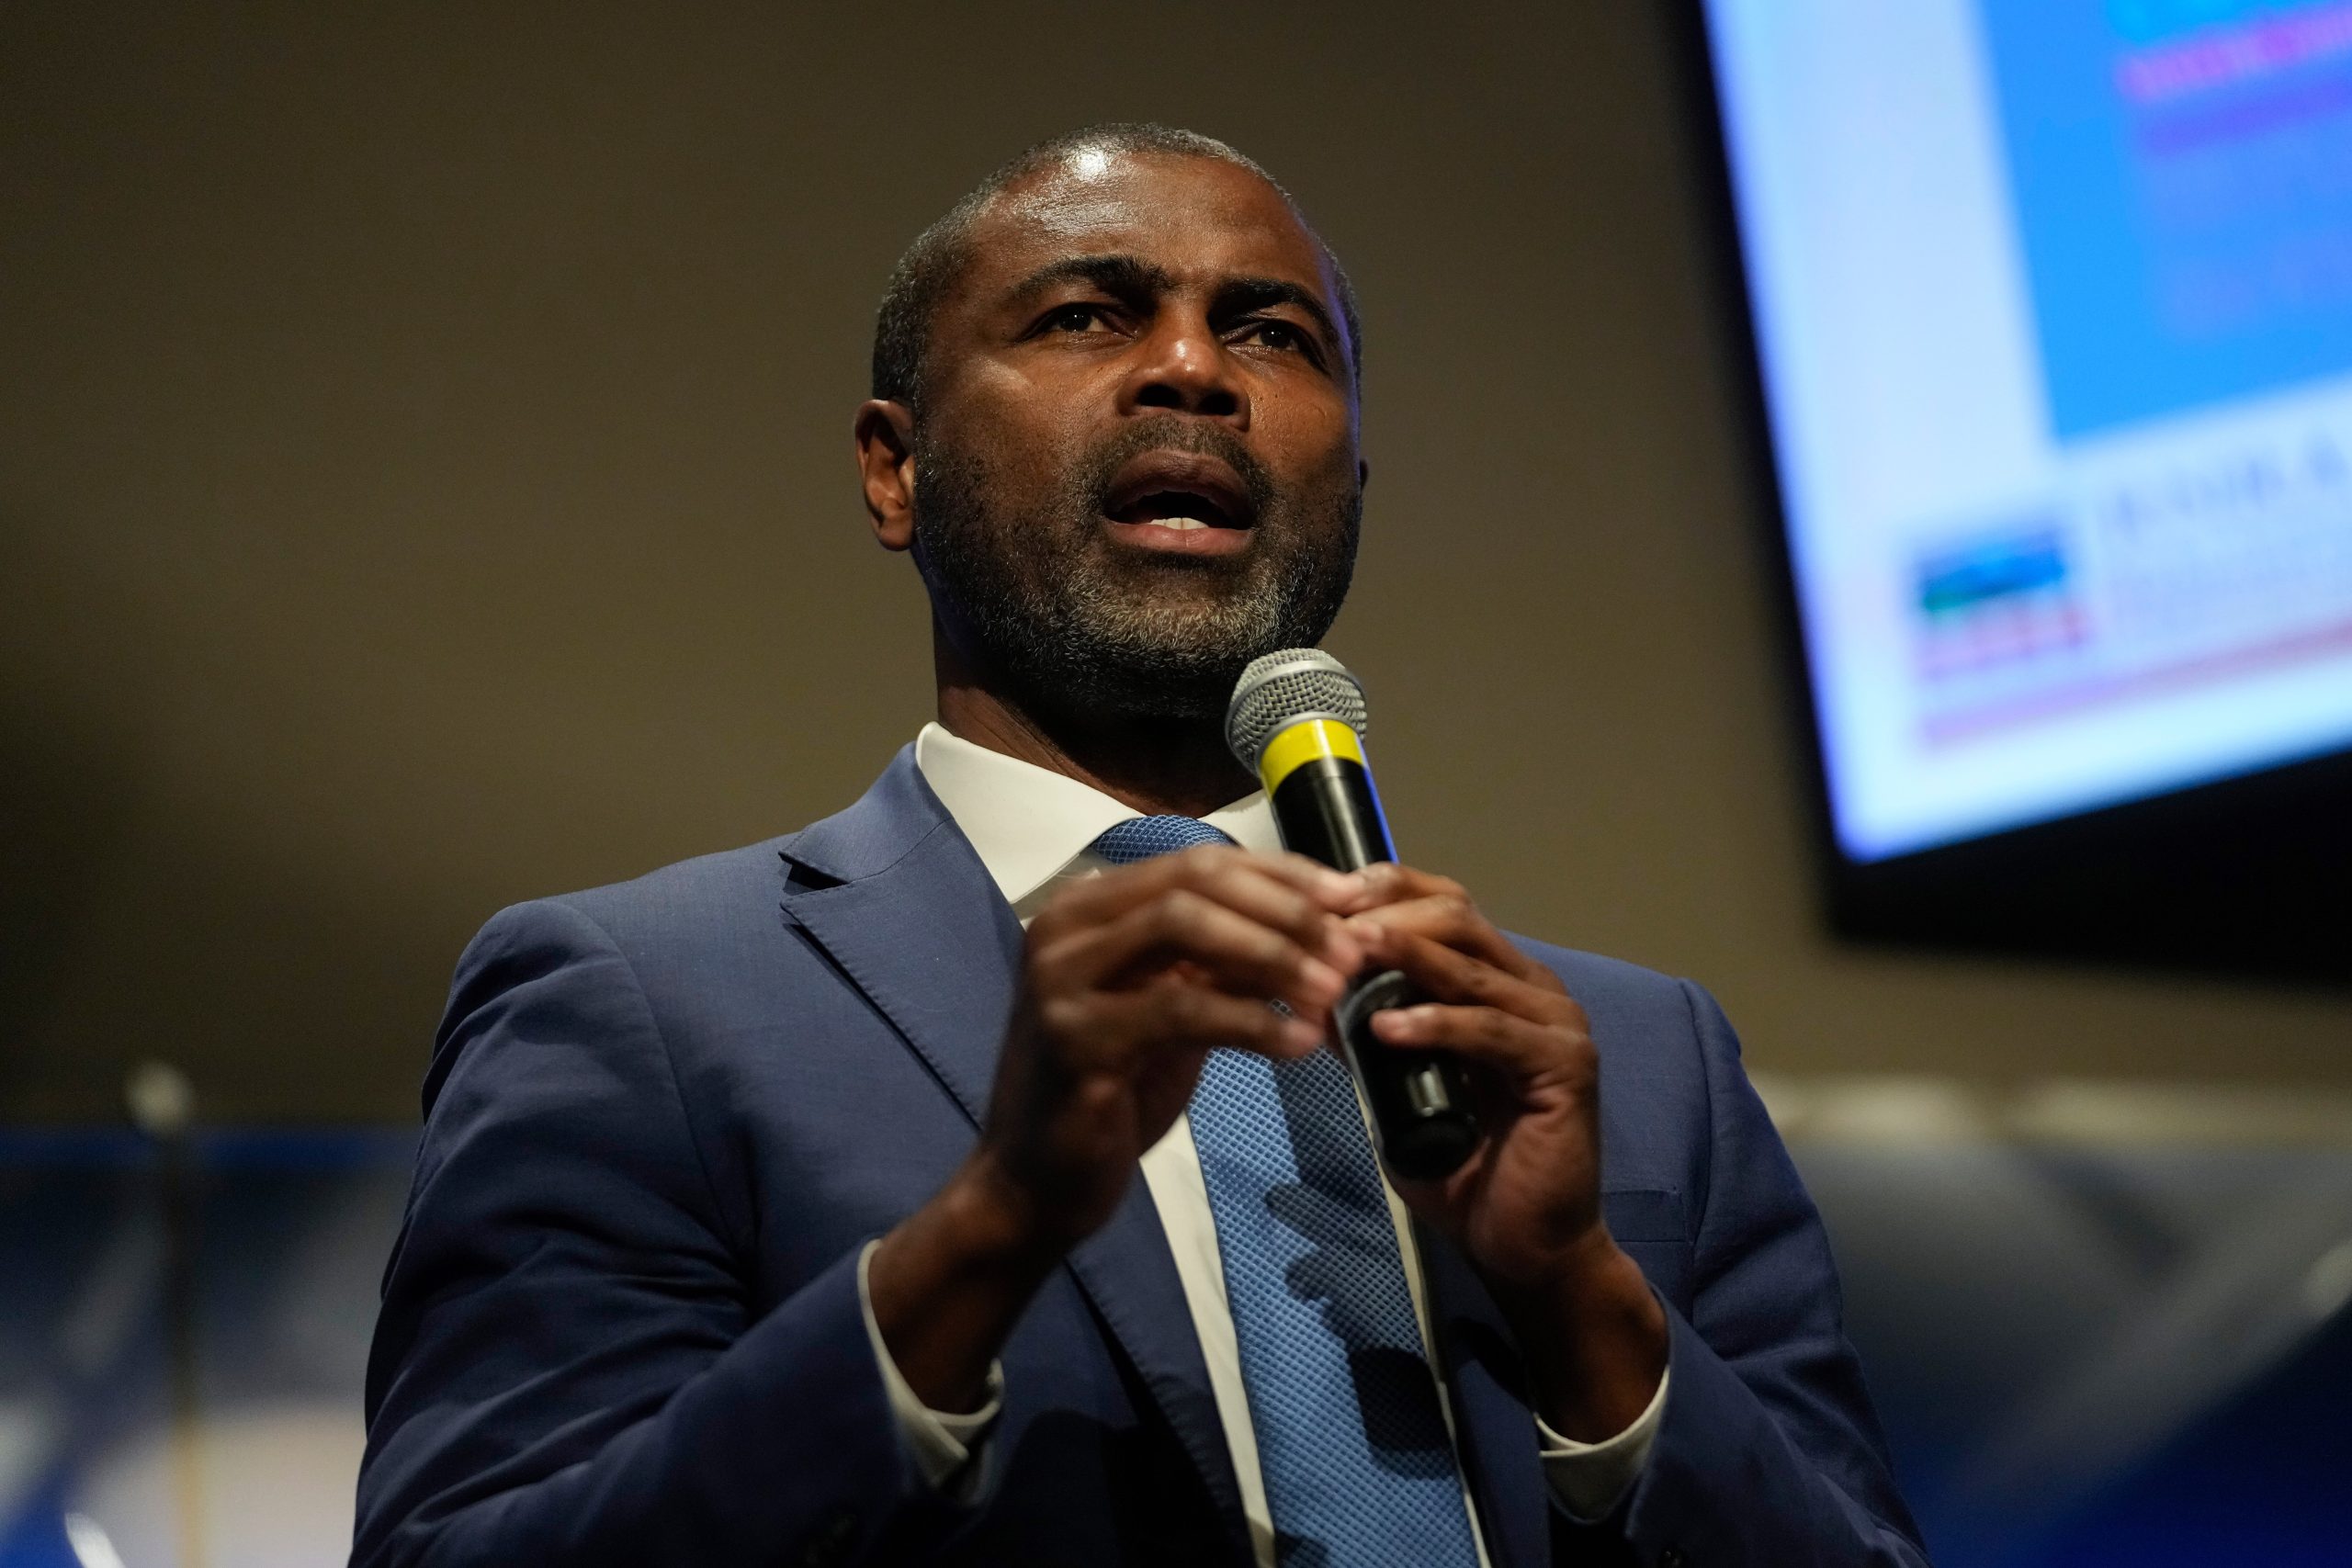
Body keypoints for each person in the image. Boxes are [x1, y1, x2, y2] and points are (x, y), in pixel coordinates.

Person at [353, 124, 1928, 1568]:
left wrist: (1581, 1295)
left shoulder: (1646, 1064)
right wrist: (988, 1230)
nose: (1193, 371)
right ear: (895, 468)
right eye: (1086, 317)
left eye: (1273, 335)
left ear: (1353, 479)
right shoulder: (637, 1003)